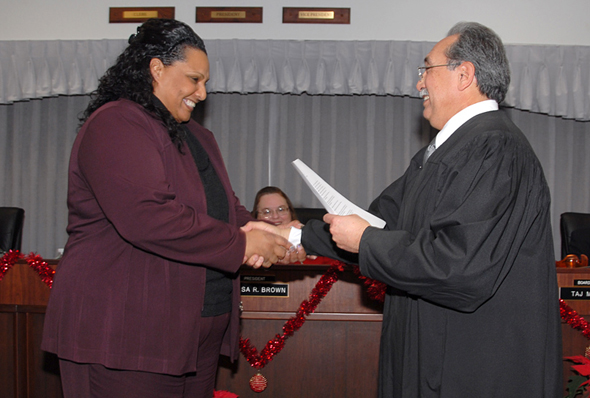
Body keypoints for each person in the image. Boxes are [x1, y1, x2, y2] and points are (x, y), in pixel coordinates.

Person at [267, 22, 562, 397]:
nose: (419, 83)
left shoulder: (495, 149)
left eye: (427, 70)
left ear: (464, 74)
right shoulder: (442, 151)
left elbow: (459, 267)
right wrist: (295, 234)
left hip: (474, 367)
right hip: (430, 353)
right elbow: (379, 225)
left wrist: (368, 241)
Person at [41, 18, 304, 398]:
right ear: (156, 69)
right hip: (125, 335)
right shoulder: (117, 122)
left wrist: (277, 235)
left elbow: (227, 210)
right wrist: (243, 245)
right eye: (194, 79)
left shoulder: (197, 135)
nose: (203, 93)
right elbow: (149, 217)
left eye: (206, 82)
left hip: (192, 336)